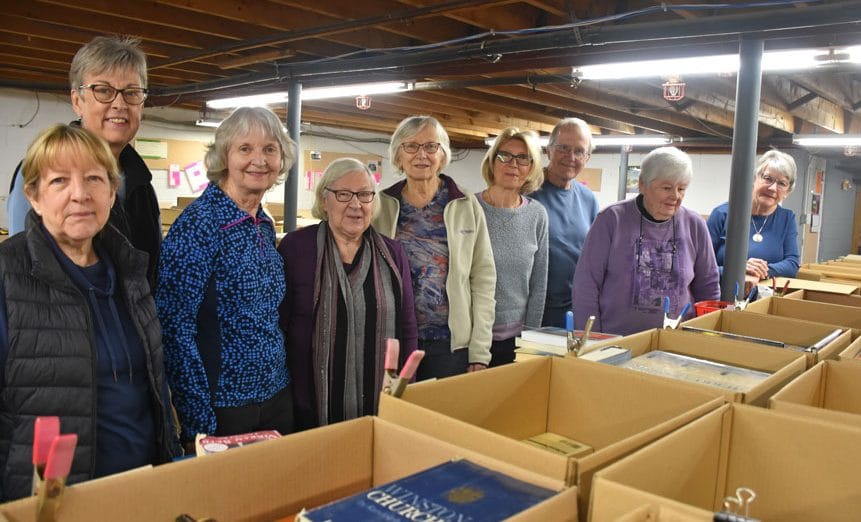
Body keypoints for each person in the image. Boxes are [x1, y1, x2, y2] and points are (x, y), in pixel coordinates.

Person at [0, 125, 179, 501]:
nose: (80, 194)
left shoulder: (131, 270)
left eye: (94, 179)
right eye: (60, 181)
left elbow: (152, 385)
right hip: (53, 501)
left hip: (143, 487)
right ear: (33, 196)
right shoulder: (8, 276)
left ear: (112, 192)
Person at [156, 107, 297, 449]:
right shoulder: (198, 225)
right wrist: (197, 422)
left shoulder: (262, 224)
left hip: (276, 396)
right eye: (245, 149)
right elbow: (174, 329)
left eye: (270, 149)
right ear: (224, 157)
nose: (259, 160)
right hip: (224, 407)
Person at [7, 36, 162, 285]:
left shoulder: (142, 185)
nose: (119, 104)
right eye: (103, 90)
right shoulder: (40, 171)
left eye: (132, 92)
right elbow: (24, 276)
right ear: (77, 101)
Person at [279, 158, 418, 430]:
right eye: (344, 194)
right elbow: (280, 326)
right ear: (324, 198)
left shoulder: (393, 253)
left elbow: (408, 326)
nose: (356, 205)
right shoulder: (297, 248)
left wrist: (405, 385)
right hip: (310, 404)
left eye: (365, 195)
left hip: (382, 404)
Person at [372, 115, 496, 379]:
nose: (422, 155)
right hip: (395, 340)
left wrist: (479, 351)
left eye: (431, 146)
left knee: (443, 418)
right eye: (411, 146)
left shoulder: (464, 204)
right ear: (398, 155)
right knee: (398, 416)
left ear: (442, 154)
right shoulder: (380, 205)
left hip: (450, 345)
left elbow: (483, 278)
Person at [573, 146, 720, 336]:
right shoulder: (611, 219)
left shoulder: (695, 225)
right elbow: (586, 285)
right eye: (666, 188)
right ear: (643, 185)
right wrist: (591, 337)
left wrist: (703, 335)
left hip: (676, 343)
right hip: (615, 341)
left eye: (681, 188)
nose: (675, 196)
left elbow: (708, 287)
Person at [477, 128, 548, 366]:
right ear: (492, 161)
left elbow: (539, 283)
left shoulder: (537, 214)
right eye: (505, 155)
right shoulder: (468, 208)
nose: (513, 164)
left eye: (523, 158)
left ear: (531, 168)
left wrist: (530, 339)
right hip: (473, 337)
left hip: (516, 341)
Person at [530, 117, 600, 327]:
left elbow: (594, 256)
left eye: (579, 151)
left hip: (575, 310)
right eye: (563, 148)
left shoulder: (588, 199)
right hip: (534, 311)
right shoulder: (527, 193)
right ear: (549, 150)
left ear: (587, 158)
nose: (571, 157)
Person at [707, 149, 800, 288]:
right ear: (755, 178)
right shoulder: (722, 214)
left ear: (787, 192)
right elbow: (701, 266)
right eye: (768, 179)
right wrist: (739, 269)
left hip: (764, 299)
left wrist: (762, 270)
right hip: (720, 296)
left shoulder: (787, 219)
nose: (773, 188)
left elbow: (792, 264)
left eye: (782, 183)